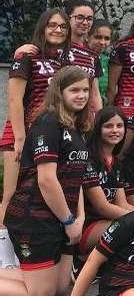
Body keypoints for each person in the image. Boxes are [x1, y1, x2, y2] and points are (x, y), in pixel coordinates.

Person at [0, 66, 90, 296]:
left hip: (62, 218)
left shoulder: (77, 127)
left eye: (86, 90)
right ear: (60, 92)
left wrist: (79, 217)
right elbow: (47, 180)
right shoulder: (48, 122)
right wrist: (69, 221)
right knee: (42, 293)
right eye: (75, 90)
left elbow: (76, 178)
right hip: (36, 218)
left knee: (60, 288)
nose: (82, 95)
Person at [1, 8, 71, 227]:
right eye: (52, 25)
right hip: (20, 134)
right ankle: (3, 253)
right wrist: (20, 138)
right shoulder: (26, 55)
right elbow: (14, 100)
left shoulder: (64, 62)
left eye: (62, 26)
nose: (58, 30)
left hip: (48, 137)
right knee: (12, 195)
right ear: (42, 27)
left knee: (37, 194)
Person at [81, 107, 134, 255]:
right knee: (131, 229)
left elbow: (122, 203)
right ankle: (80, 263)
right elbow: (102, 207)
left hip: (110, 221)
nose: (115, 130)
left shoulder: (117, 162)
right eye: (108, 126)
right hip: (87, 225)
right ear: (98, 128)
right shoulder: (89, 158)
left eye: (119, 126)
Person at [88, 19, 114, 103]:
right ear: (87, 36)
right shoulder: (80, 57)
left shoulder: (108, 61)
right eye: (98, 37)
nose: (102, 42)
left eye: (107, 38)